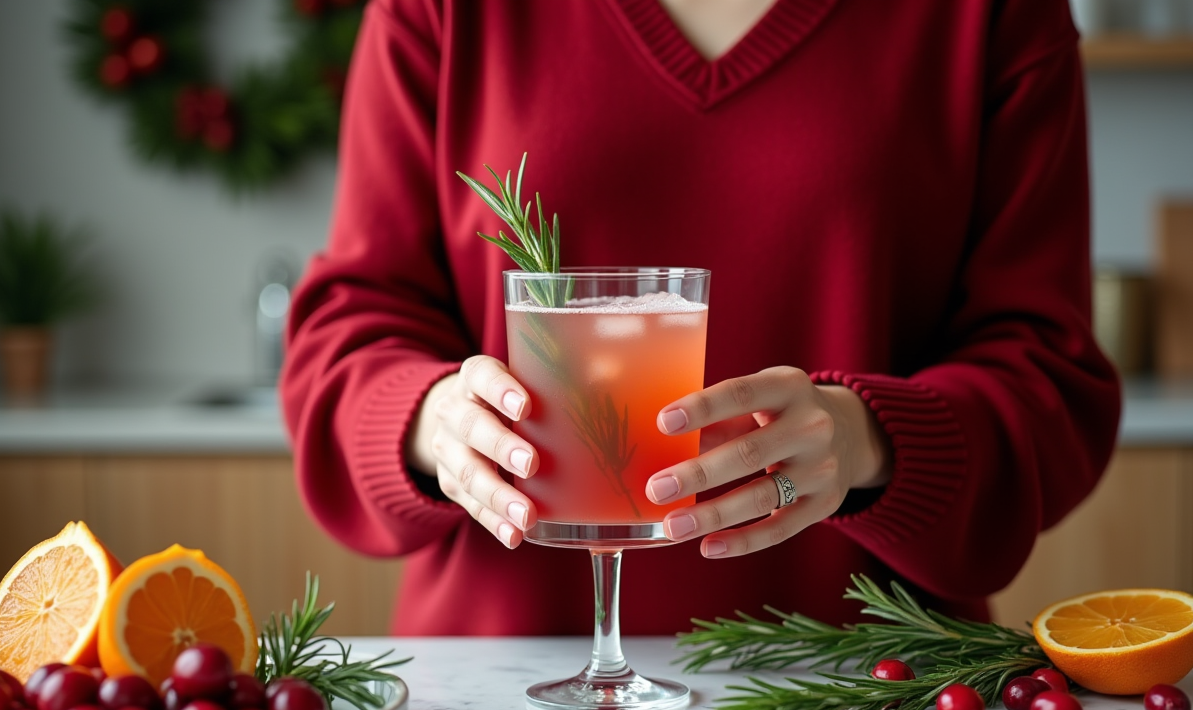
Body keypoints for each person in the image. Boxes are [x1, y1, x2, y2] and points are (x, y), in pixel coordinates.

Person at [281, 0, 1121, 635]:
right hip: (503, 701)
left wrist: (868, 438)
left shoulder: (991, 15)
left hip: (874, 688)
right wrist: (435, 424)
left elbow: (1049, 374)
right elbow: (350, 332)